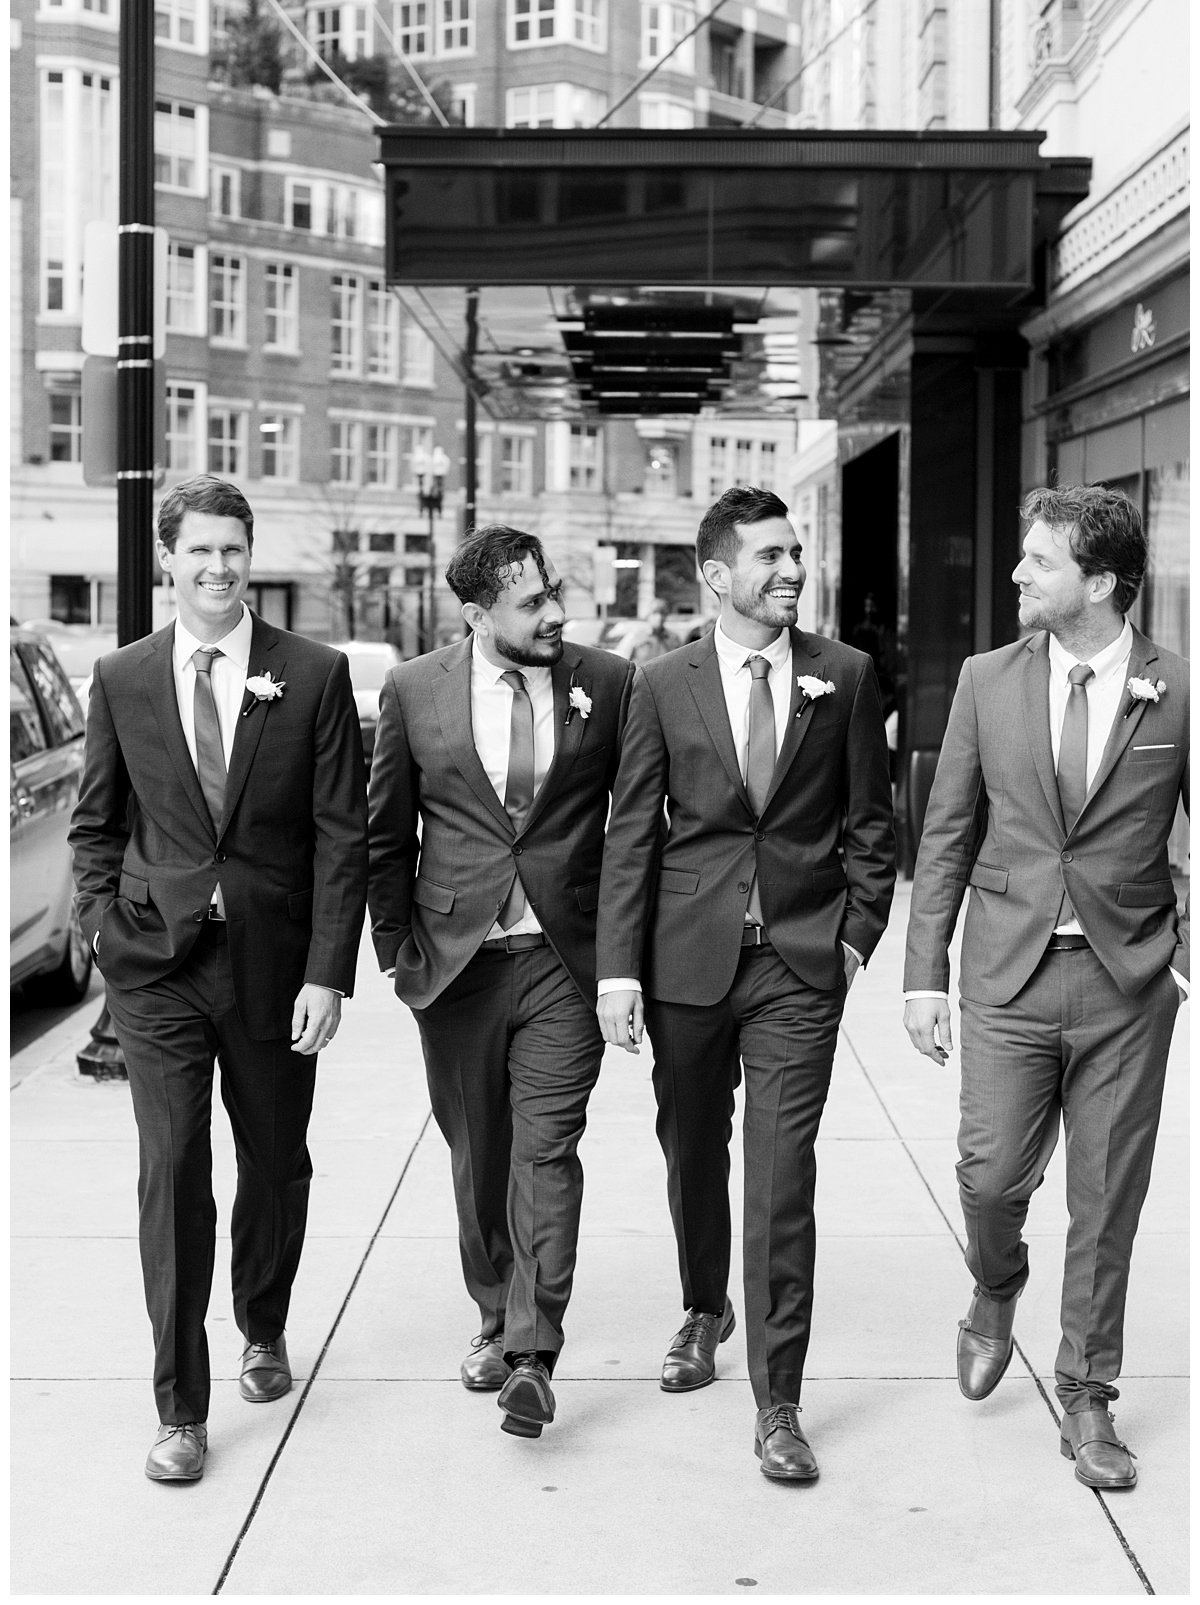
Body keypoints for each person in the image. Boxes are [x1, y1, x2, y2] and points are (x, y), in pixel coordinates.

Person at [69, 475, 368, 1483]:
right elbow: (95, 825)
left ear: (252, 554)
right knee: (172, 1173)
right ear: (168, 559)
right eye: (198, 549)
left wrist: (329, 972)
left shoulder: (313, 674)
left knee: (276, 1163)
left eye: (233, 548)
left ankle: (262, 1320)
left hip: (275, 969)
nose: (217, 566)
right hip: (158, 970)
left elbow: (342, 836)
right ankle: (180, 1408)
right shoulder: (122, 677)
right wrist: (106, 928)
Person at [595, 486, 895, 1483]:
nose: (792, 572)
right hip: (685, 960)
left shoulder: (845, 675)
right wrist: (616, 970)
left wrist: (854, 934)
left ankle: (780, 1402)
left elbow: (871, 821)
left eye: (796, 555)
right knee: (690, 1147)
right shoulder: (660, 681)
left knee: (780, 1173)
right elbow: (632, 827)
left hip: (801, 965)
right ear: (717, 574)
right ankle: (701, 1305)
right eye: (770, 557)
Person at [903, 484, 1189, 1492]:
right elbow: (945, 836)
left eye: (1040, 560)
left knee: (1107, 1199)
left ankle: (1088, 1392)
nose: (1018, 573)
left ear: (1101, 582)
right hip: (1008, 976)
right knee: (989, 1179)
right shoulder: (987, 679)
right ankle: (995, 1282)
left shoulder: (1179, 687)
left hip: (1128, 985)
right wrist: (922, 974)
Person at [367, 525, 634, 1439]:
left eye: (555, 591)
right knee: (479, 1154)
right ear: (478, 614)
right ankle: (493, 1307)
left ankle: (530, 1350)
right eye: (532, 602)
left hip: (565, 957)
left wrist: (622, 963)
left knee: (546, 1149)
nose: (556, 611)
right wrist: (400, 951)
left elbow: (633, 827)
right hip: (457, 964)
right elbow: (384, 833)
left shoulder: (605, 681)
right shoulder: (413, 690)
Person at [629, 598, 680, 666]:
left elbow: (680, 663)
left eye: (663, 613)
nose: (659, 617)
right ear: (648, 615)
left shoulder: (673, 638)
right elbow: (626, 664)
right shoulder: (637, 637)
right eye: (655, 613)